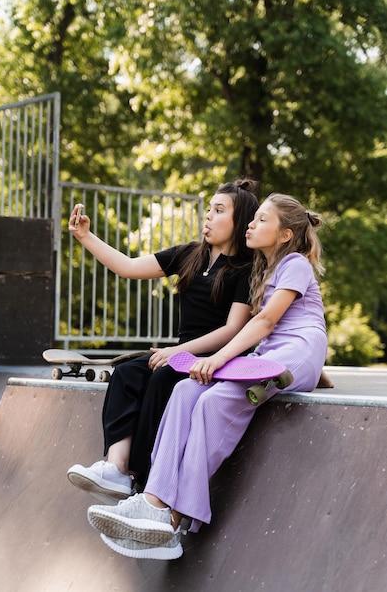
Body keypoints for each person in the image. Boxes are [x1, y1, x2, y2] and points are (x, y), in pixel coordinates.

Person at [86, 192, 328, 560]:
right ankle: (153, 500)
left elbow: (265, 321)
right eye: (253, 218)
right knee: (185, 391)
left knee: (214, 401)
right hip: (267, 356)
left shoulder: (295, 262)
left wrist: (216, 359)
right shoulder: (262, 269)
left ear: (285, 235)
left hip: (297, 350)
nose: (252, 224)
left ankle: (176, 522)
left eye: (262, 220)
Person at [66, 179, 260, 504]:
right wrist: (84, 235)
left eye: (219, 210)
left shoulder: (245, 268)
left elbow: (233, 329)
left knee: (162, 378)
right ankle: (117, 467)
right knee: (128, 372)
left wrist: (176, 352)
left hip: (218, 357)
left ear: (239, 221)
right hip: (179, 354)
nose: (208, 216)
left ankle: (143, 482)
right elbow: (127, 267)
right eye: (209, 209)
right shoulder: (189, 255)